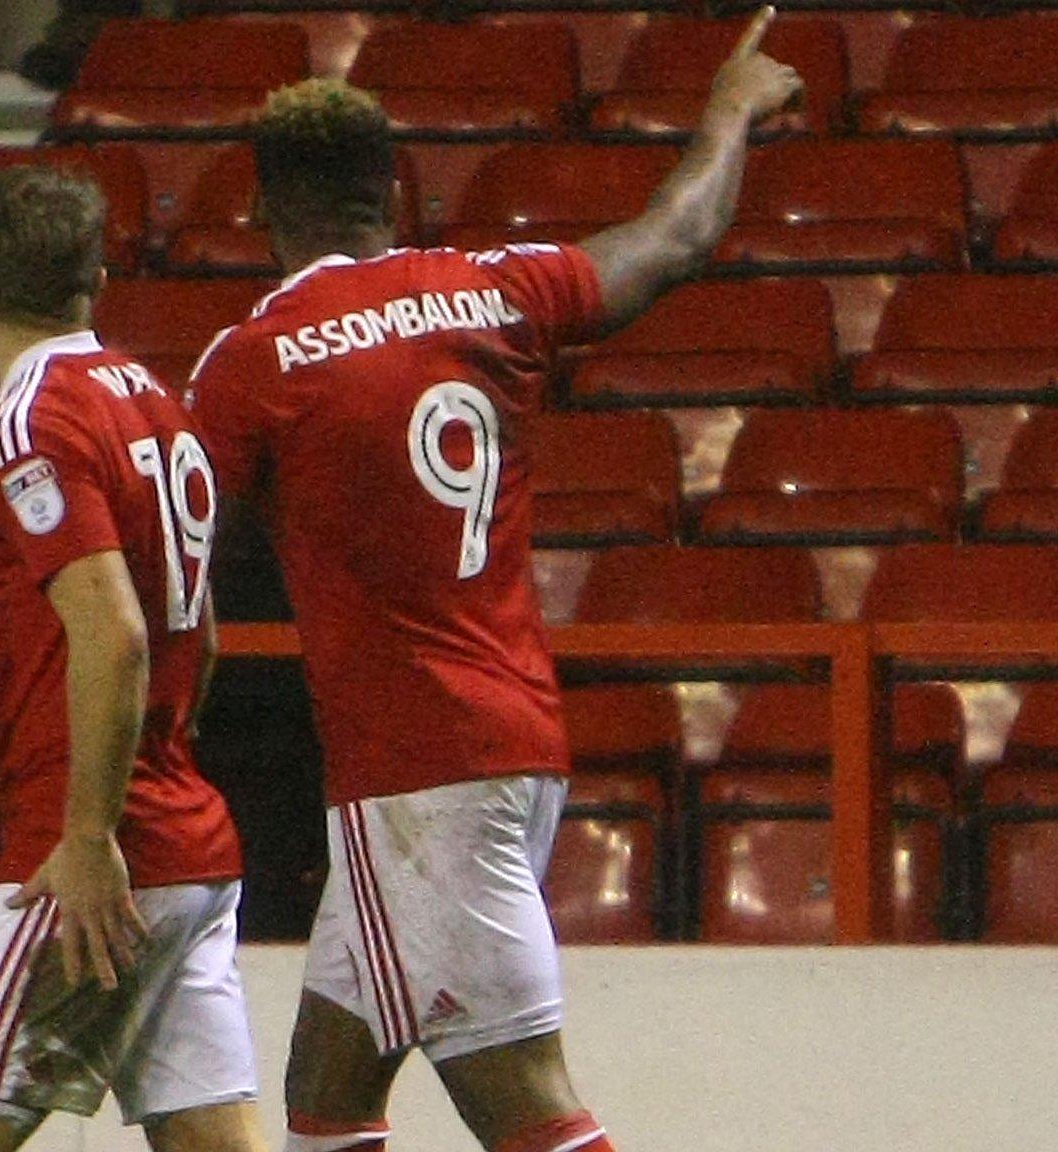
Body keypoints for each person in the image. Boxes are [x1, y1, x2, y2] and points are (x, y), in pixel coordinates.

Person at [184, 13, 803, 1152]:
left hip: (414, 774)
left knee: (522, 1105)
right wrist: (727, 109)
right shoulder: (494, 291)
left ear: (260, 215)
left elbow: (166, 547)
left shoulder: (254, 359)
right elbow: (672, 239)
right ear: (397, 195)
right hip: (509, 741)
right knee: (327, 1092)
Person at [0, 165, 265, 1152]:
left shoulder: (31, 424)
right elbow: (204, 626)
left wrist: (91, 831)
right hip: (184, 846)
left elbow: (114, 630)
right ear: (96, 281)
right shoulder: (155, 402)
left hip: (83, 861)